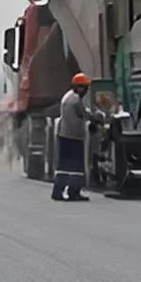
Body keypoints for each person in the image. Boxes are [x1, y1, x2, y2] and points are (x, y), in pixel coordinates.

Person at [51, 72, 90, 201]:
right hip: (74, 137)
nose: (85, 91)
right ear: (79, 87)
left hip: (64, 135)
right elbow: (84, 114)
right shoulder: (75, 99)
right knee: (76, 168)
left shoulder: (67, 96)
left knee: (64, 166)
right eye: (84, 87)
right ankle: (74, 192)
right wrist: (98, 118)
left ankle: (57, 191)